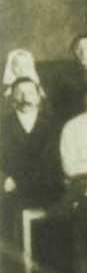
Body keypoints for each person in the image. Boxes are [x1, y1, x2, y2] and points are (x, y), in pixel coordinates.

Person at [1, 78, 62, 239]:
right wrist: (4, 178)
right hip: (13, 188)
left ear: (38, 96)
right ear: (12, 97)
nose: (25, 98)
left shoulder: (55, 123)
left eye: (30, 93)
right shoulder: (3, 125)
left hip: (48, 186)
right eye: (19, 93)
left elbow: (56, 160)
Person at [1, 49, 46, 115]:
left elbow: (41, 93)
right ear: (11, 66)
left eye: (26, 66)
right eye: (17, 66)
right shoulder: (10, 83)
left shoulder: (33, 81)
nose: (22, 69)